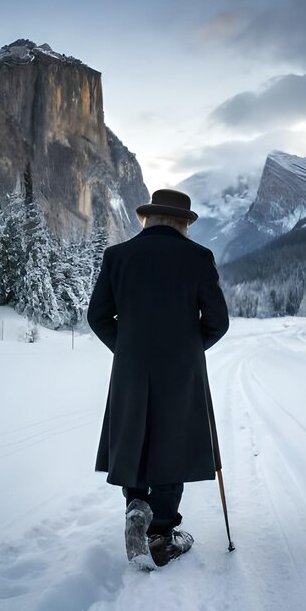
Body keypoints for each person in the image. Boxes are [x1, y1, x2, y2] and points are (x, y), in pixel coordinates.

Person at [87, 188, 229, 568]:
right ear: (183, 223)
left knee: (135, 435)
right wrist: (187, 348)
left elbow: (97, 317)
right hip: (180, 371)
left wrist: (128, 348)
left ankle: (137, 506)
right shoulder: (198, 258)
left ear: (148, 218)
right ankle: (161, 535)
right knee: (172, 442)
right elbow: (218, 322)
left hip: (130, 370)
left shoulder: (117, 256)